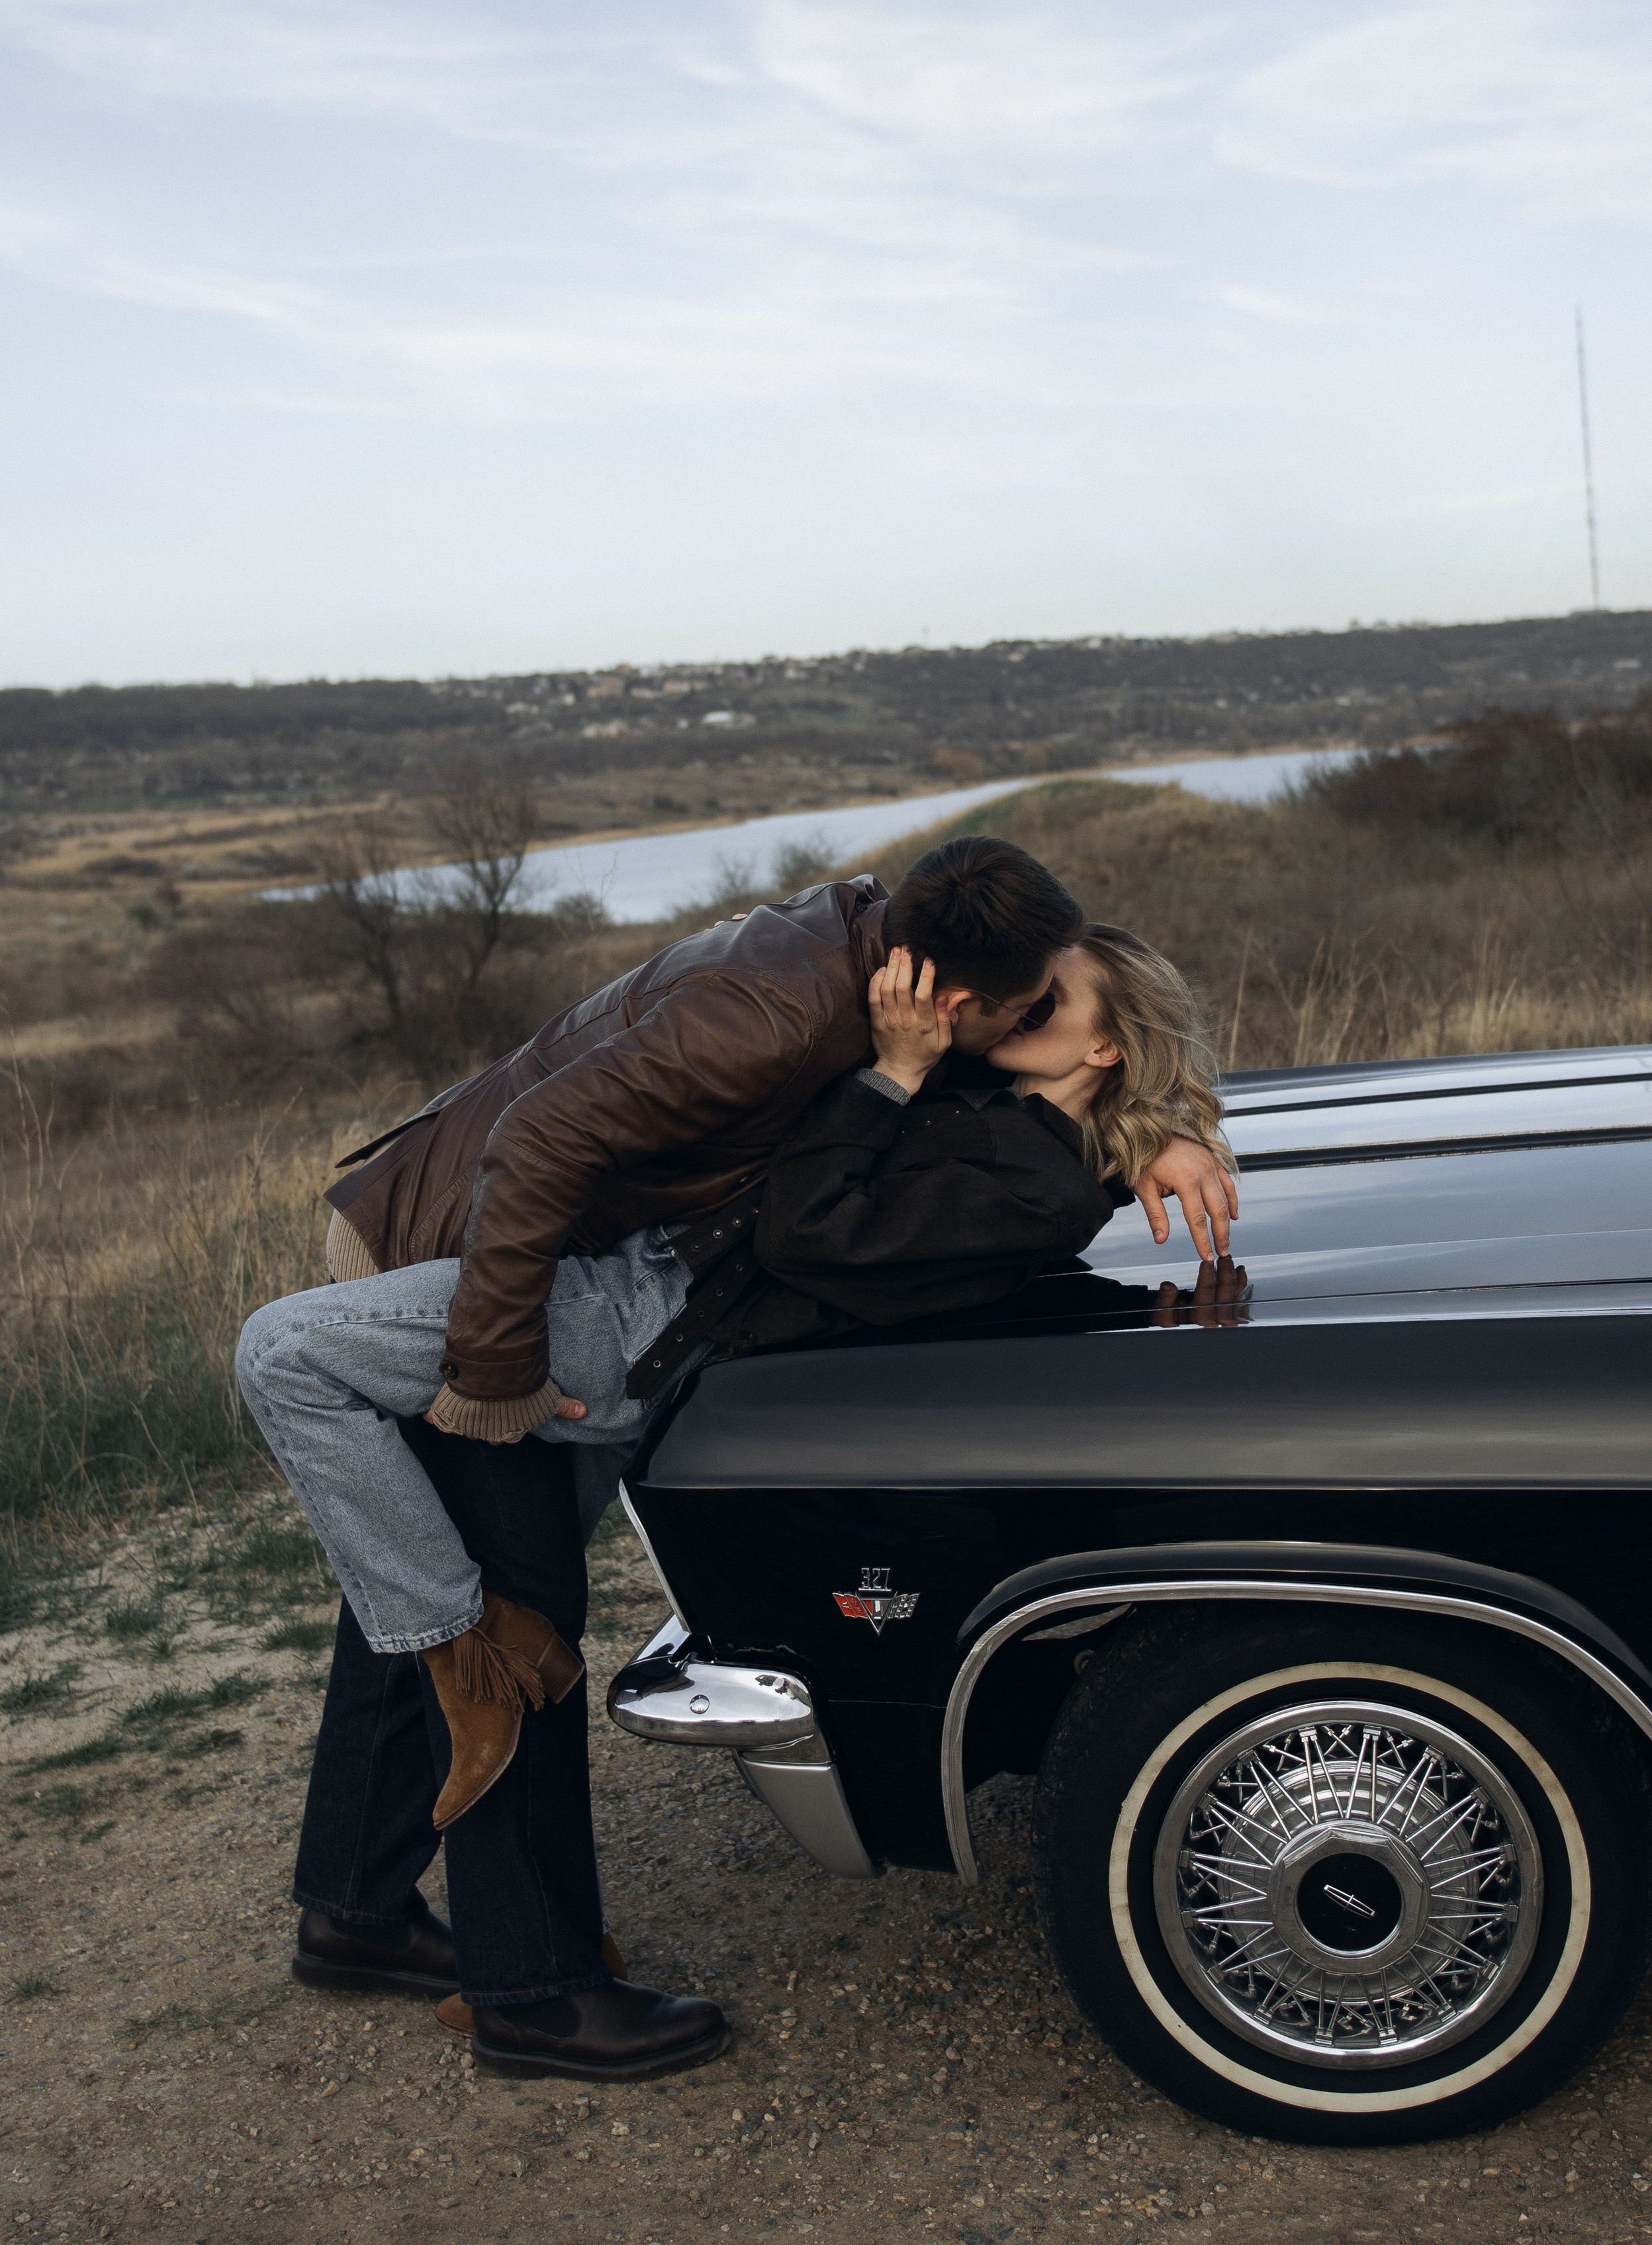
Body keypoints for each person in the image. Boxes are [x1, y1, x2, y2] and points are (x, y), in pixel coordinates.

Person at [242, 837, 1232, 2086]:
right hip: (510, 1267)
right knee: (498, 1623)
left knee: (460, 1572)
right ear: (957, 984)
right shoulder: (799, 1016)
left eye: (1049, 1006)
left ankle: (356, 1908)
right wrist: (495, 1382)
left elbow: (896, 1184)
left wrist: (1147, 1129)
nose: (1014, 1020)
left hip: (610, 1288)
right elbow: (574, 1152)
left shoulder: (948, 1052)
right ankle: (534, 1990)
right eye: (1021, 1001)